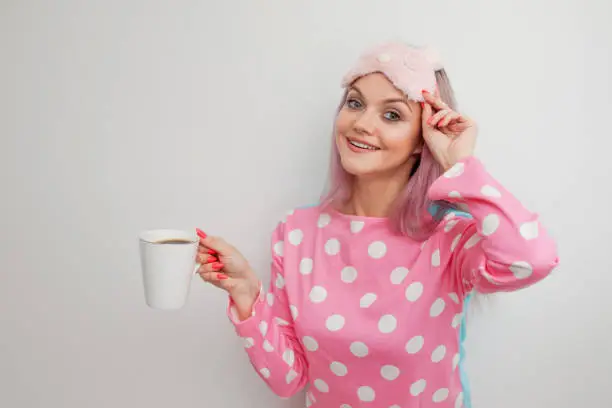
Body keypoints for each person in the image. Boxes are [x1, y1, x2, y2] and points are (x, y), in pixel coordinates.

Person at [195, 41, 559, 408]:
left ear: (423, 139)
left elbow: (532, 260)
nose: (362, 124)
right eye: (355, 103)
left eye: (392, 115)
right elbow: (288, 379)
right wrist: (245, 290)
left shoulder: (449, 237)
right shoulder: (296, 232)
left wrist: (460, 163)